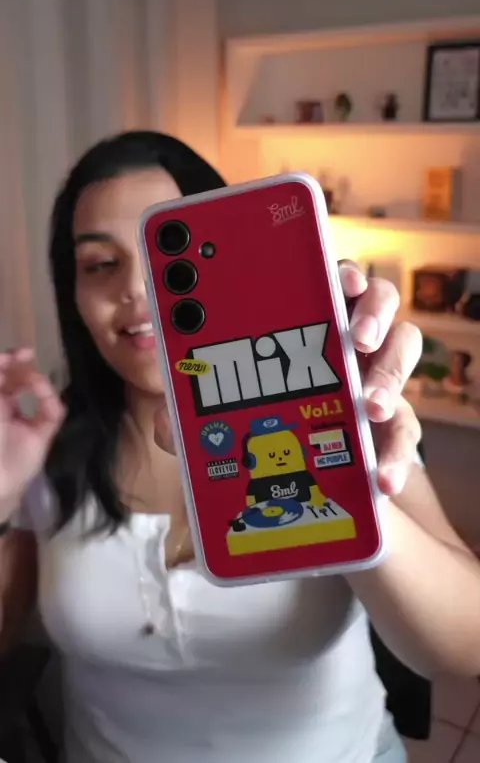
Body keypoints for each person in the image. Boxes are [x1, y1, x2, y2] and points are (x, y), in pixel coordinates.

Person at [1, 132, 480, 763]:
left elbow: (462, 647)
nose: (137, 289)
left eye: (164, 253)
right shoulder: (43, 446)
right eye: (100, 264)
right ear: (73, 293)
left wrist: (334, 461)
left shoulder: (335, 413)